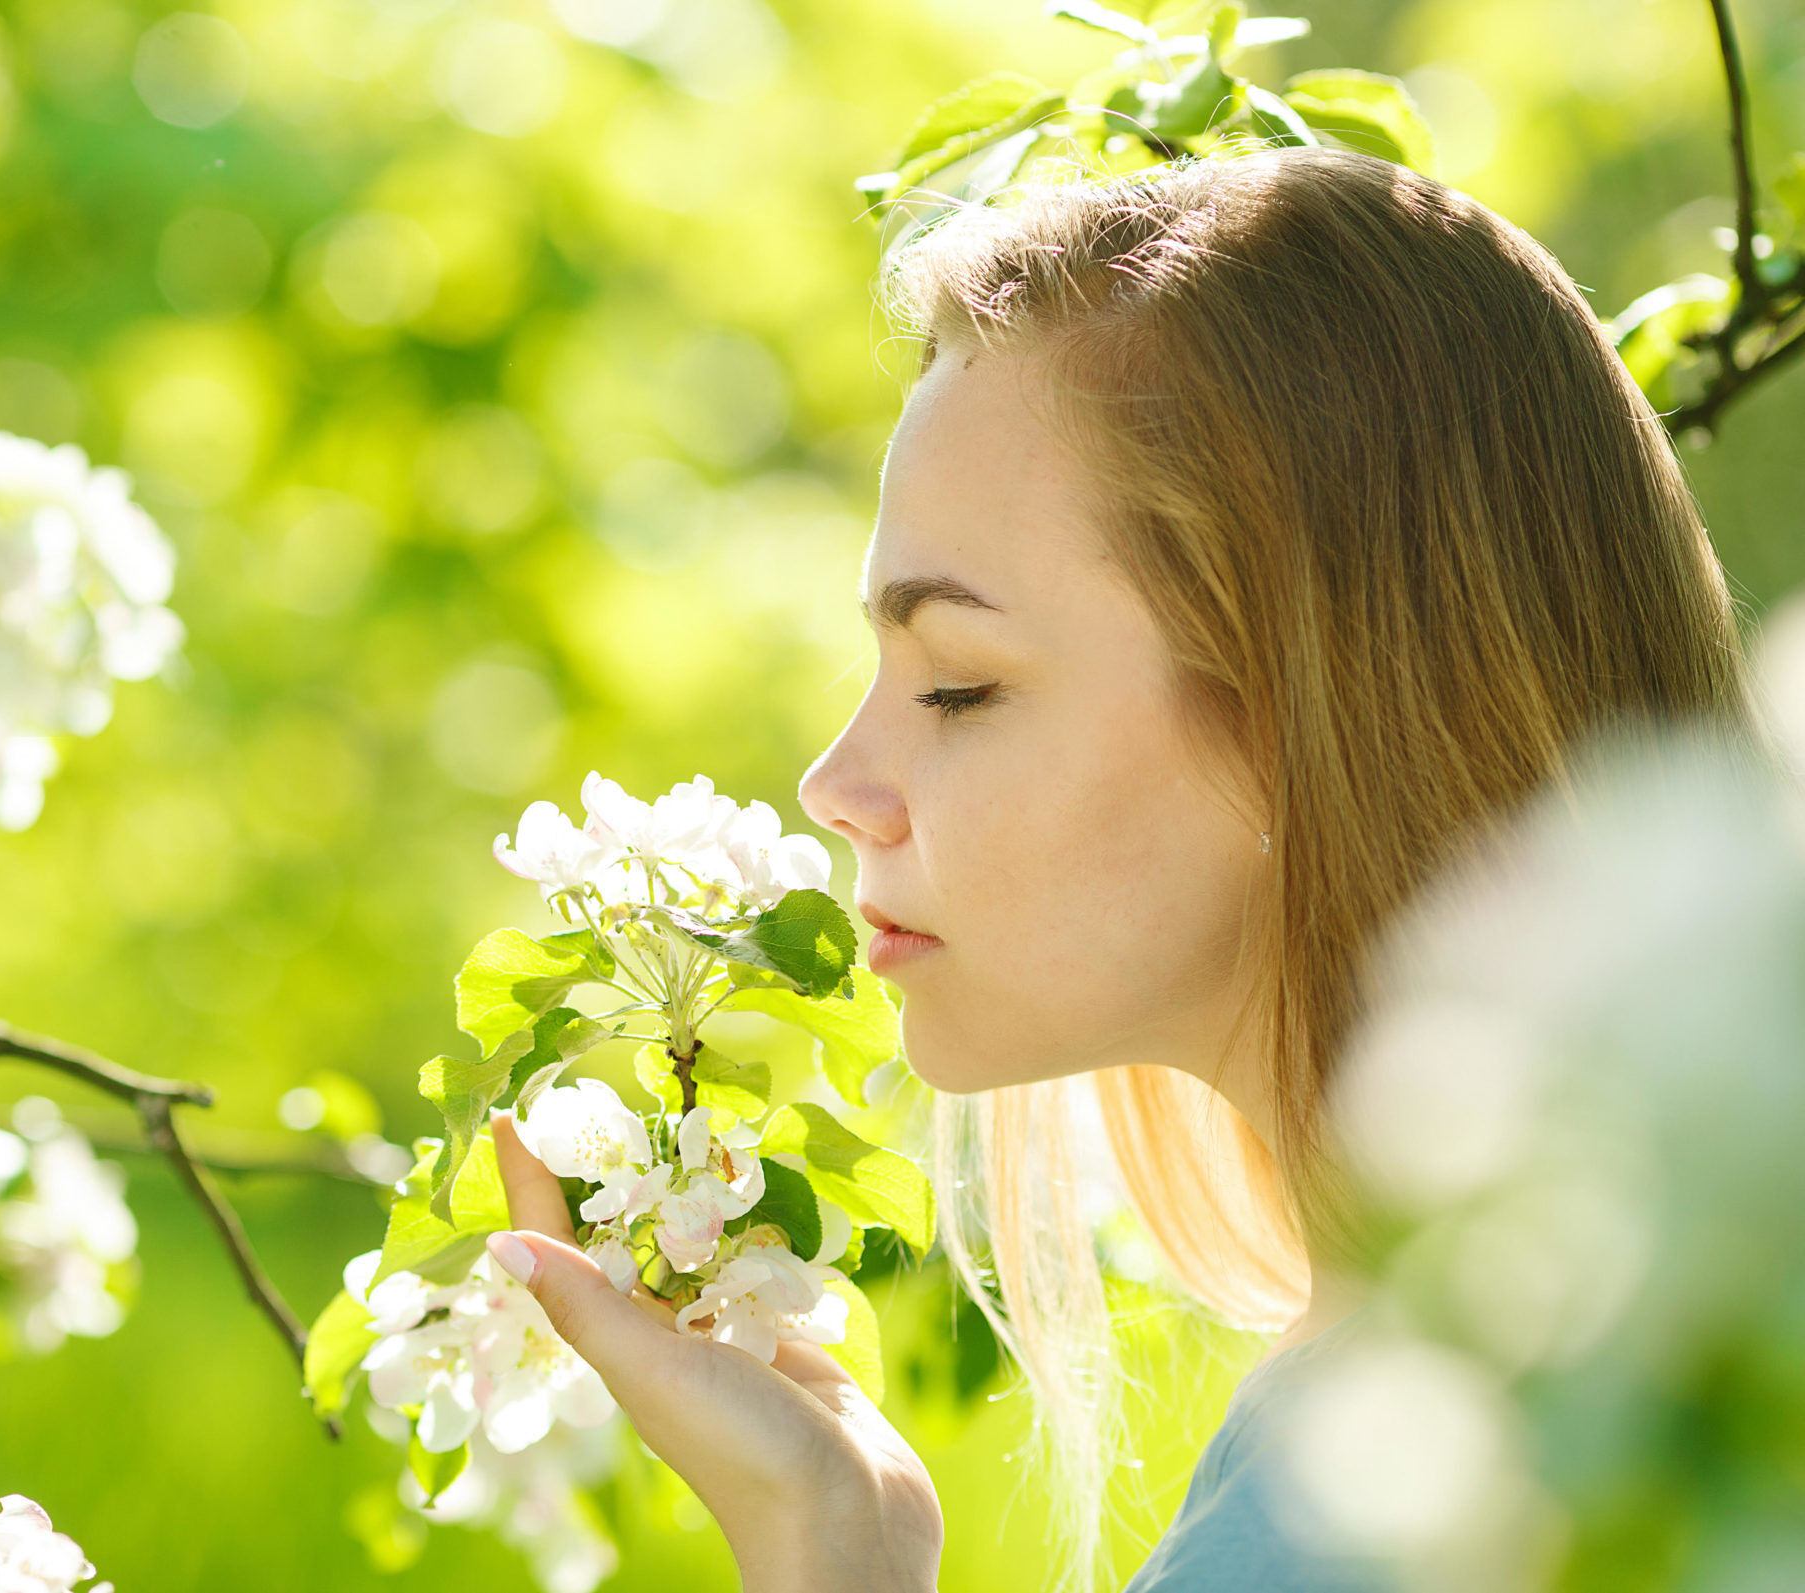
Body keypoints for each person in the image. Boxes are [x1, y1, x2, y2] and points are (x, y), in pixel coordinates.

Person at [475, 146, 1746, 1592]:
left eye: (958, 684)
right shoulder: (1502, 1392)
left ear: (1303, 713)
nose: (837, 787)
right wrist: (836, 1553)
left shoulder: (1407, 1491)